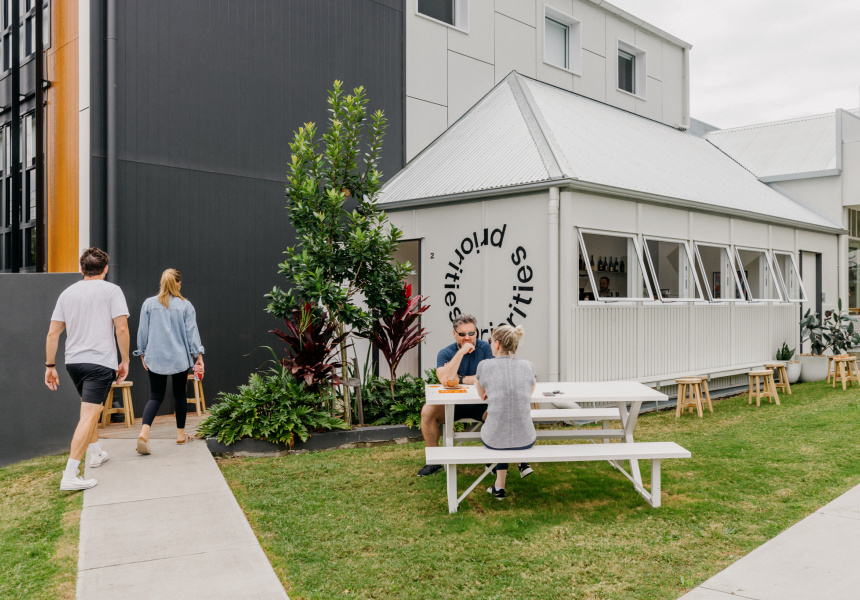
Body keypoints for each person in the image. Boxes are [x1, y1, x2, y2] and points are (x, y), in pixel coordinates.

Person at [45, 247, 130, 491]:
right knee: (89, 416)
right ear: (105, 269)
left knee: (89, 409)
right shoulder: (112, 291)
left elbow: (53, 333)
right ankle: (70, 475)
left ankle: (95, 453)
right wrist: (125, 360)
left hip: (74, 363)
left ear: (82, 269)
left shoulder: (67, 293)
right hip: (99, 363)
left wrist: (50, 365)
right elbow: (121, 329)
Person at [417, 314, 532, 479]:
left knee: (501, 410)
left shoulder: (487, 348)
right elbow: (445, 379)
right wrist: (461, 353)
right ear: (454, 334)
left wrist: (460, 379)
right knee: (427, 410)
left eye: (471, 333)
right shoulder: (446, 352)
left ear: (476, 332)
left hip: (482, 404)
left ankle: (500, 458)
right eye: (462, 334)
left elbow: (494, 376)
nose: (467, 337)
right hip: (454, 405)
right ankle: (435, 461)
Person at [133, 269, 205, 454]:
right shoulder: (186, 306)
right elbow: (192, 333)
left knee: (155, 396)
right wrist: (198, 356)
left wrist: (142, 353)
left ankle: (143, 433)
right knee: (180, 394)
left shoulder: (148, 304)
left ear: (162, 283)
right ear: (178, 284)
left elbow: (143, 331)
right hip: (179, 357)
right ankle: (181, 435)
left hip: (155, 356)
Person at [475, 325, 537, 500]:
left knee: (498, 424)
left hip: (494, 438)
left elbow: (482, 396)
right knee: (505, 422)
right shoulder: (528, 366)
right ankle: (502, 482)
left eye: (491, 341)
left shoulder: (485, 366)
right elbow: (528, 393)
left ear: (496, 343)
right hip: (526, 437)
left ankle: (499, 486)